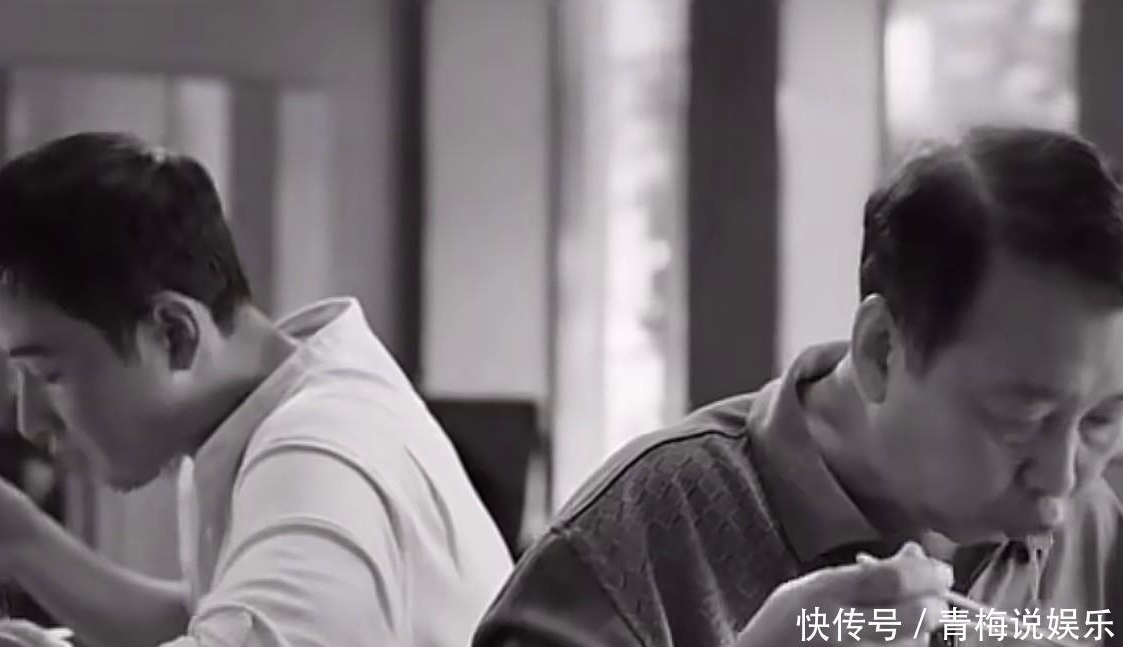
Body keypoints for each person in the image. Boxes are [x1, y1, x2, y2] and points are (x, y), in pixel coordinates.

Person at [475, 126, 1123, 647]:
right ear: (881, 351)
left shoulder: (1093, 528)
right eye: (1020, 418)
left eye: (1102, 420)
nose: (1061, 480)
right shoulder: (635, 538)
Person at [0, 132, 513, 647]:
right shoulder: (265, 416)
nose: (30, 421)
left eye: (48, 374)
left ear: (173, 334)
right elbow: (221, 622)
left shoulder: (321, 452)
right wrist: (28, 546)